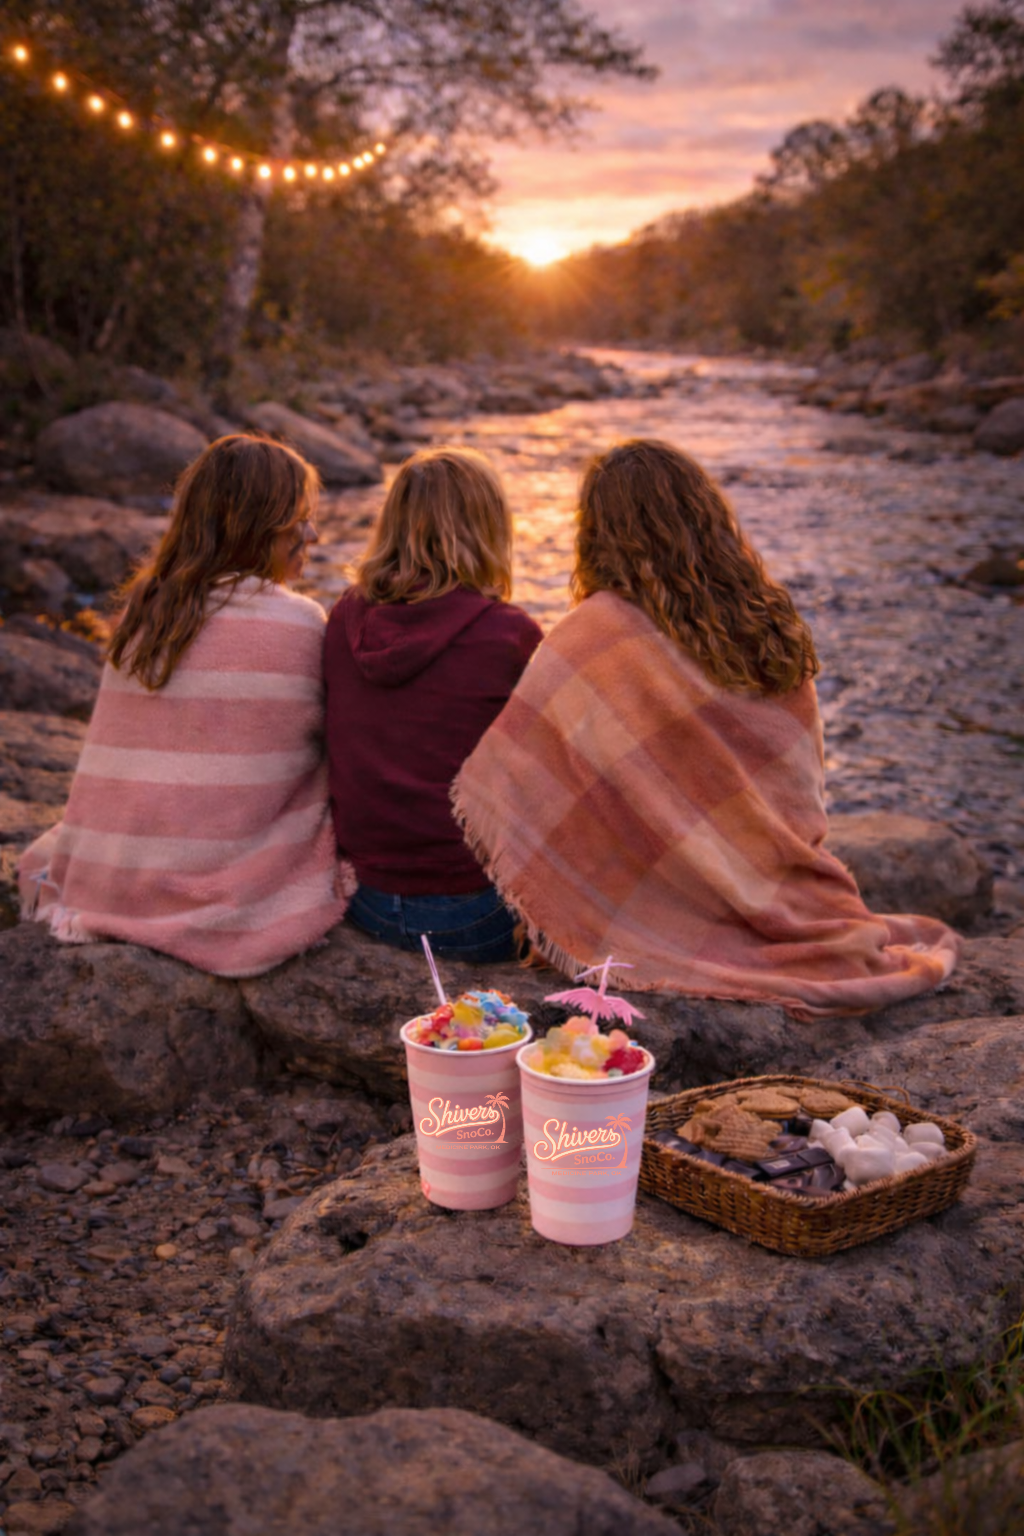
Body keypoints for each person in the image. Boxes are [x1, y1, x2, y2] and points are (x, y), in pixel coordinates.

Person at [453, 438, 959, 1019]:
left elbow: (524, 786)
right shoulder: (766, 621)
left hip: (649, 904)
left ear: (596, 532)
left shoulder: (591, 638)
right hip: (780, 885)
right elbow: (803, 790)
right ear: (707, 516)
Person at [19, 434, 351, 976]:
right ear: (255, 525)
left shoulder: (145, 614)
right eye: (298, 519)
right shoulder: (297, 623)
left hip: (115, 874)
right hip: (226, 886)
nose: (311, 534)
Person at [324, 446, 542, 961]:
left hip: (367, 902)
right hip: (479, 916)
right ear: (489, 527)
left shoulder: (345, 619)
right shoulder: (509, 633)